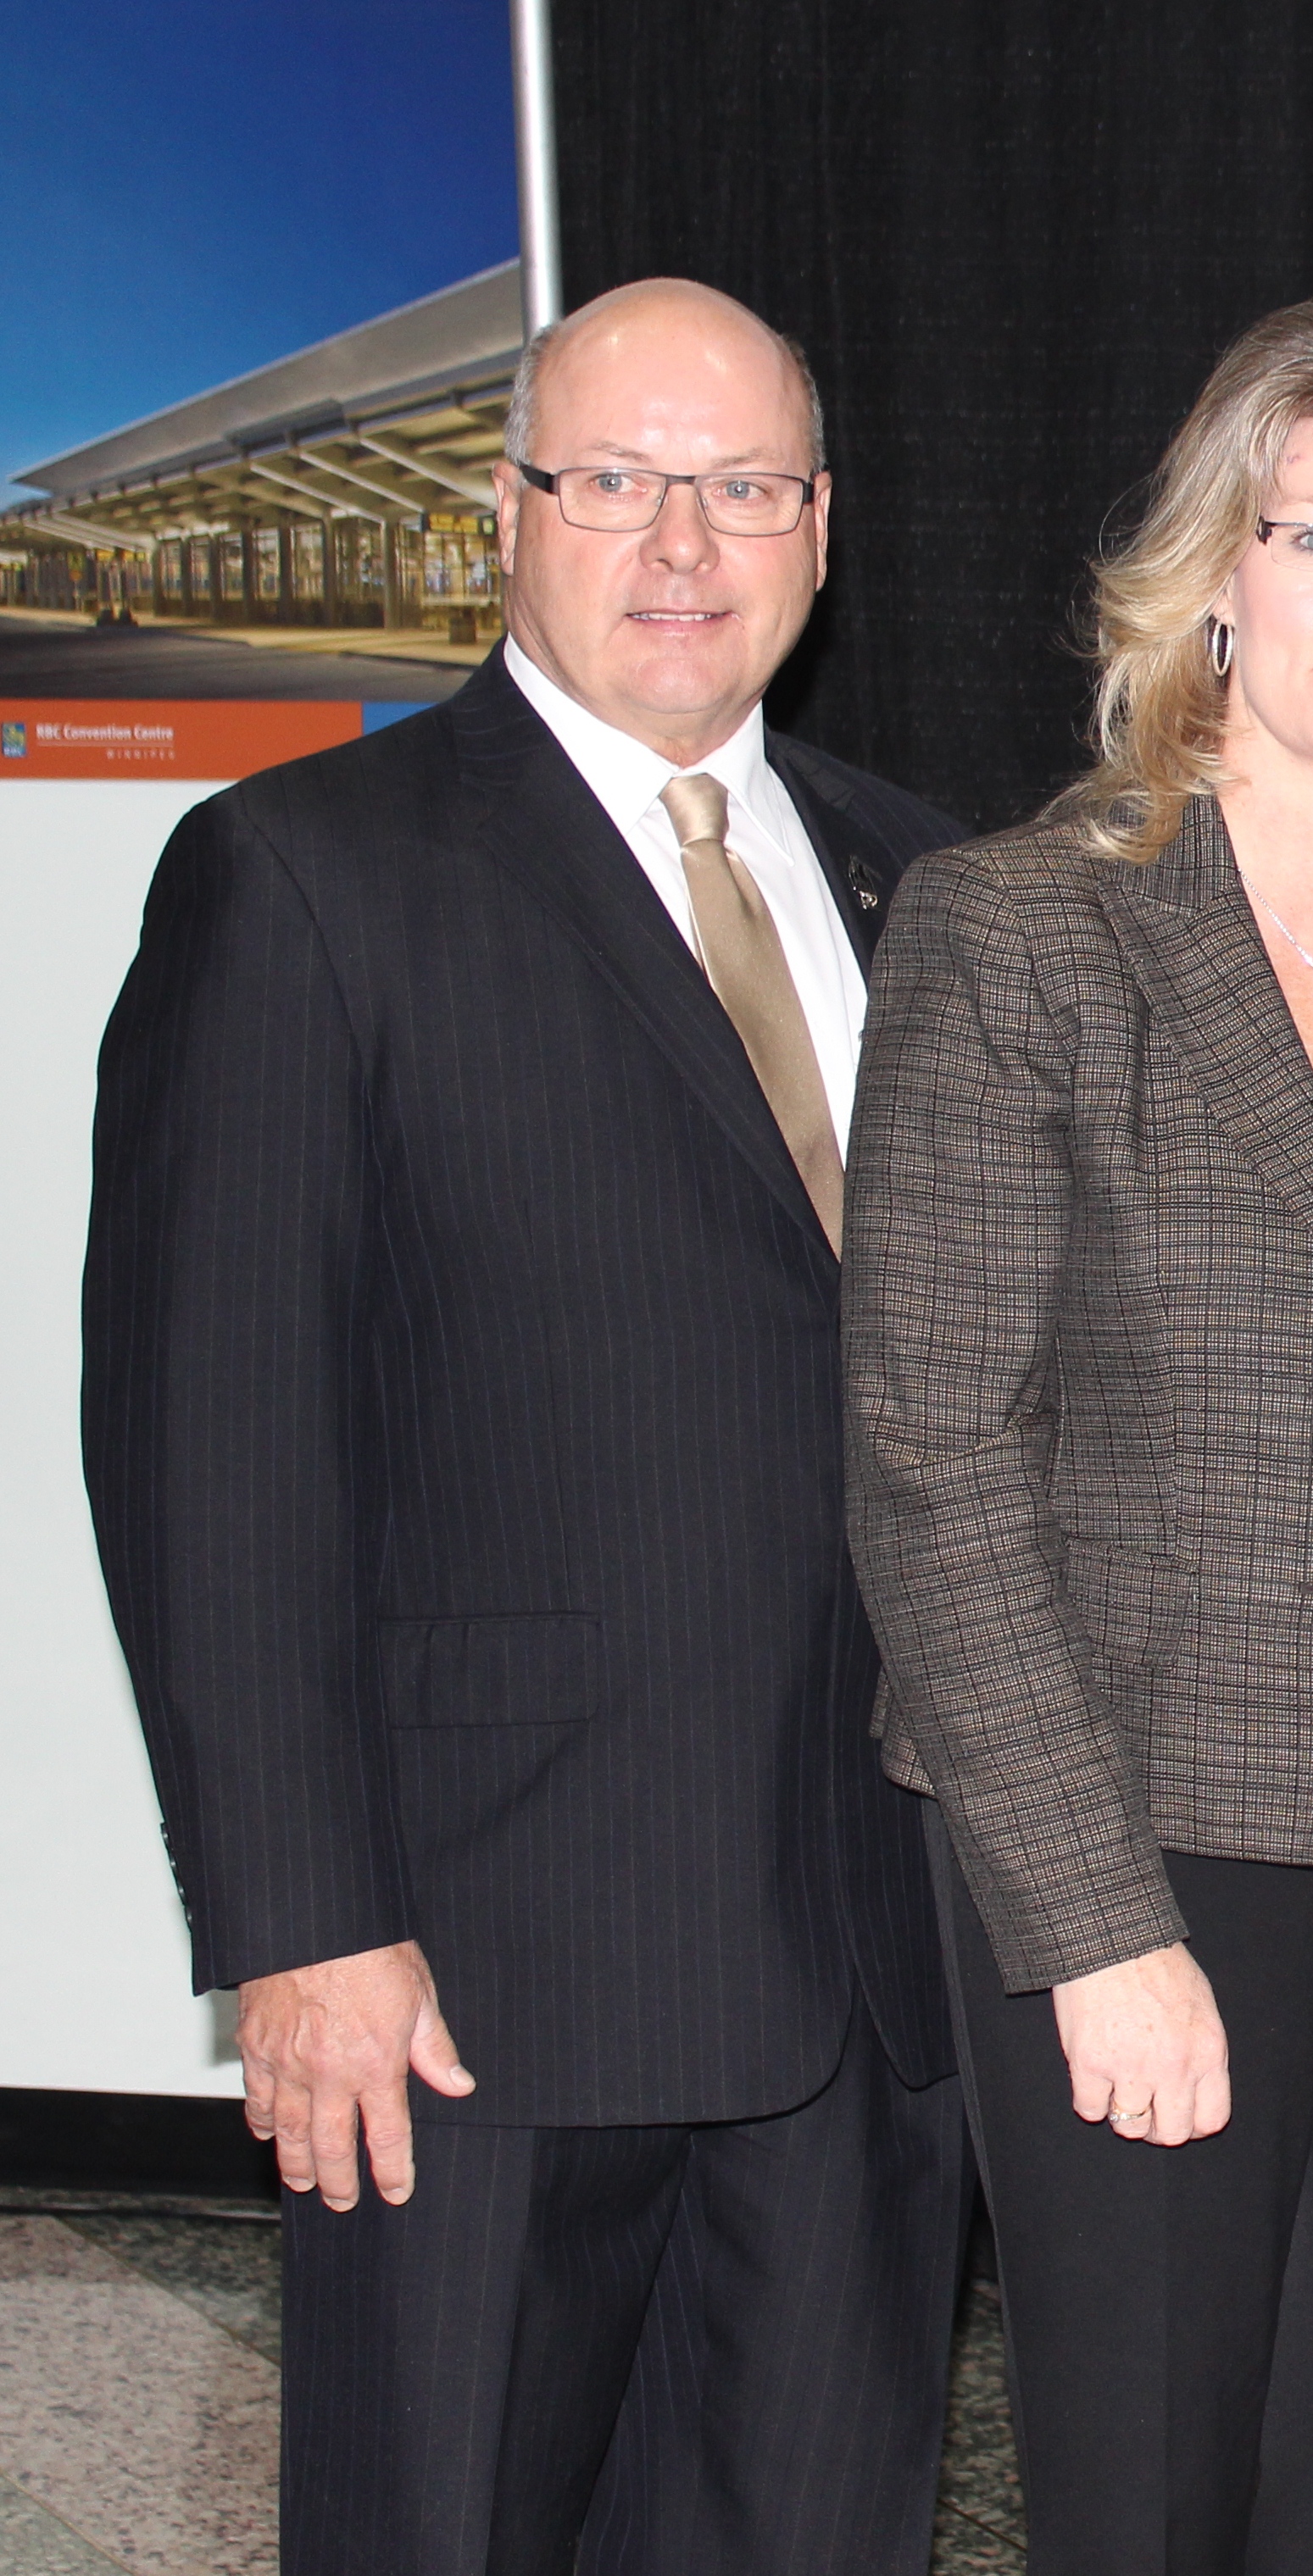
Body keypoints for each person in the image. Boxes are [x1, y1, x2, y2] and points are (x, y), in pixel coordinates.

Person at [81, 279, 970, 2575]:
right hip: (476, 1989)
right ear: (508, 517)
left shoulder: (926, 883)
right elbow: (209, 1455)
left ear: (822, 529)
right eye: (615, 482)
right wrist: (303, 1927)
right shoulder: (307, 878)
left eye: (744, 486)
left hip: (872, 1967)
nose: (683, 542)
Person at [841, 291, 1313, 2574]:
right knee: (1156, 2462)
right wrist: (1089, 1925)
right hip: (1146, 1801)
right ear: (1212, 585)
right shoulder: (1025, 936)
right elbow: (932, 1465)